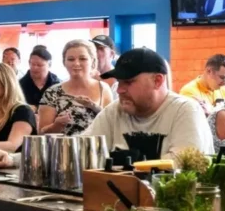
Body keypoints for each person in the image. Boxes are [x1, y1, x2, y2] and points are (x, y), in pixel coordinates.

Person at [85, 48, 213, 159]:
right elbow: (85, 149)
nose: (119, 90)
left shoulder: (186, 110)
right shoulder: (114, 111)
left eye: (128, 82)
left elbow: (183, 166)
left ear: (157, 81)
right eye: (119, 82)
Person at [37, 40, 111, 136]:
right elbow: (41, 133)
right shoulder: (52, 92)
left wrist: (94, 106)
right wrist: (56, 125)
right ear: (64, 62)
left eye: (83, 59)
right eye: (71, 59)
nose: (76, 63)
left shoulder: (103, 89)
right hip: (63, 149)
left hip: (95, 149)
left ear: (92, 61)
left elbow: (112, 122)